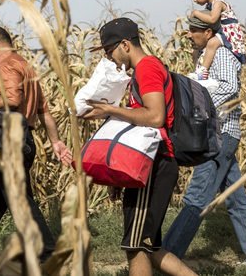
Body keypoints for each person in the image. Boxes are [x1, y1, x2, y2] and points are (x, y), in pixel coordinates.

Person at [82, 18, 197, 276]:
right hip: (148, 165)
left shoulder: (146, 68)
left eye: (109, 50)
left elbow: (155, 117)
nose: (109, 58)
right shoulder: (141, 71)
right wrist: (119, 177)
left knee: (136, 247)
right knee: (150, 247)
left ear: (125, 44)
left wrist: (110, 109)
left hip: (155, 167)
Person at [0, 25, 72, 275]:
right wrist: (56, 142)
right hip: (23, 141)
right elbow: (44, 111)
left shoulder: (6, 64)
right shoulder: (26, 67)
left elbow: (12, 100)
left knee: (20, 201)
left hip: (5, 141)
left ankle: (48, 254)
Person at [163, 12, 246, 266]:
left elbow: (230, 87)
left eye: (194, 30)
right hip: (222, 134)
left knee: (197, 197)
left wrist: (203, 108)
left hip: (220, 135)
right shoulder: (205, 58)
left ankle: (168, 255)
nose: (189, 34)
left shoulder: (223, 55)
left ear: (209, 34)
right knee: (236, 197)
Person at [186, 0, 246, 80]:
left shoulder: (218, 2)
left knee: (212, 43)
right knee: (198, 50)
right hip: (221, 31)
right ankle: (198, 70)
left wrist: (196, 13)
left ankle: (203, 70)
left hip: (227, 31)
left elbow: (212, 19)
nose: (195, 0)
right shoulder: (210, 5)